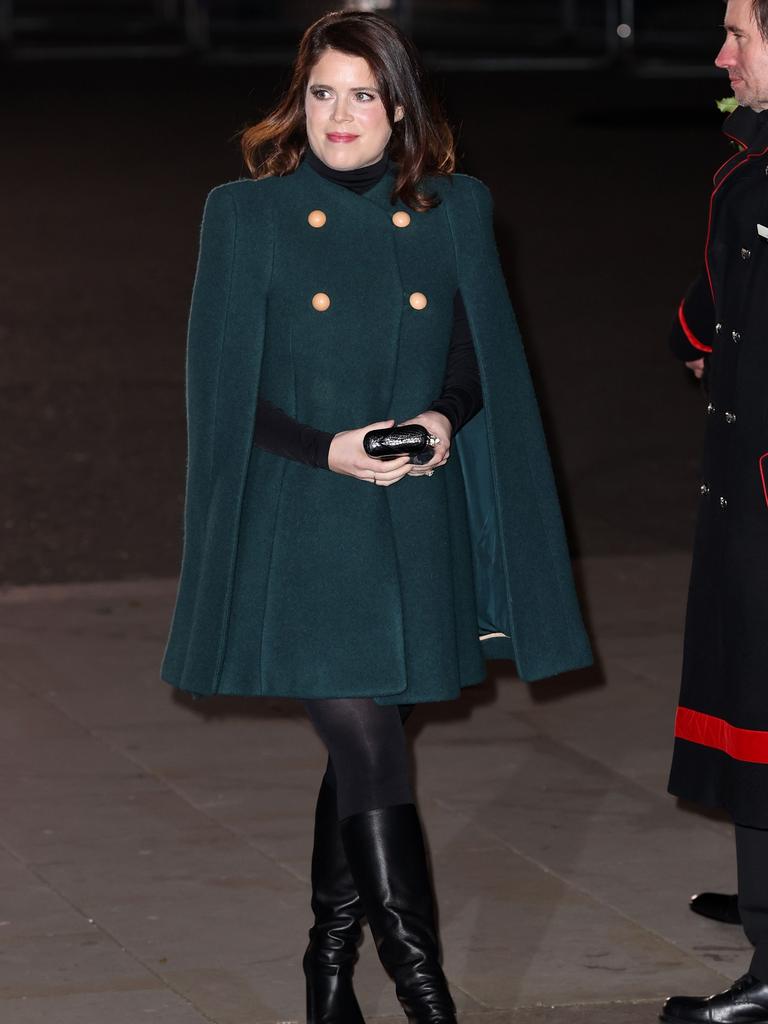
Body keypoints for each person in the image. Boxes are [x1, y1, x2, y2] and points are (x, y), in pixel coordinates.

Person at [161, 11, 592, 1022]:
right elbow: (222, 395)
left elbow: (477, 353)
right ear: (296, 100)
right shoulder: (245, 214)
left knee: (371, 748)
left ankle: (326, 970)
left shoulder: (454, 208)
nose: (338, 115)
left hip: (412, 521)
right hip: (305, 518)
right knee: (365, 738)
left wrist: (444, 418)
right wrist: (330, 448)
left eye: (362, 94)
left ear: (400, 106)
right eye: (321, 93)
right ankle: (426, 992)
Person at [663, 1, 768, 1021]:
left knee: (764, 712)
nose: (720, 53)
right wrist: (697, 331)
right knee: (749, 706)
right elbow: (727, 286)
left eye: (741, 32)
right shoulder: (752, 161)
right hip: (745, 490)